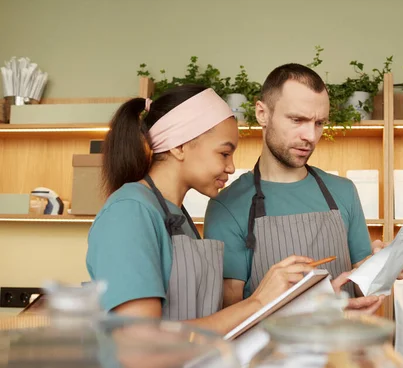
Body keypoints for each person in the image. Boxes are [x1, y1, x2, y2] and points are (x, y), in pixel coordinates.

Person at [86, 84, 318, 335]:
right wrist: (258, 301)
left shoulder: (177, 215)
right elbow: (142, 345)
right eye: (224, 153)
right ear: (179, 146)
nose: (231, 167)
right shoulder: (129, 213)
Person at [204, 63, 403, 312]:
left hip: (342, 346)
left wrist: (381, 269)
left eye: (319, 123)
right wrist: (305, 311)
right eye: (297, 120)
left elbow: (359, 289)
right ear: (262, 113)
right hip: (272, 351)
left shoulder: (343, 192)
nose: (310, 136)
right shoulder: (227, 207)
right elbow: (231, 315)